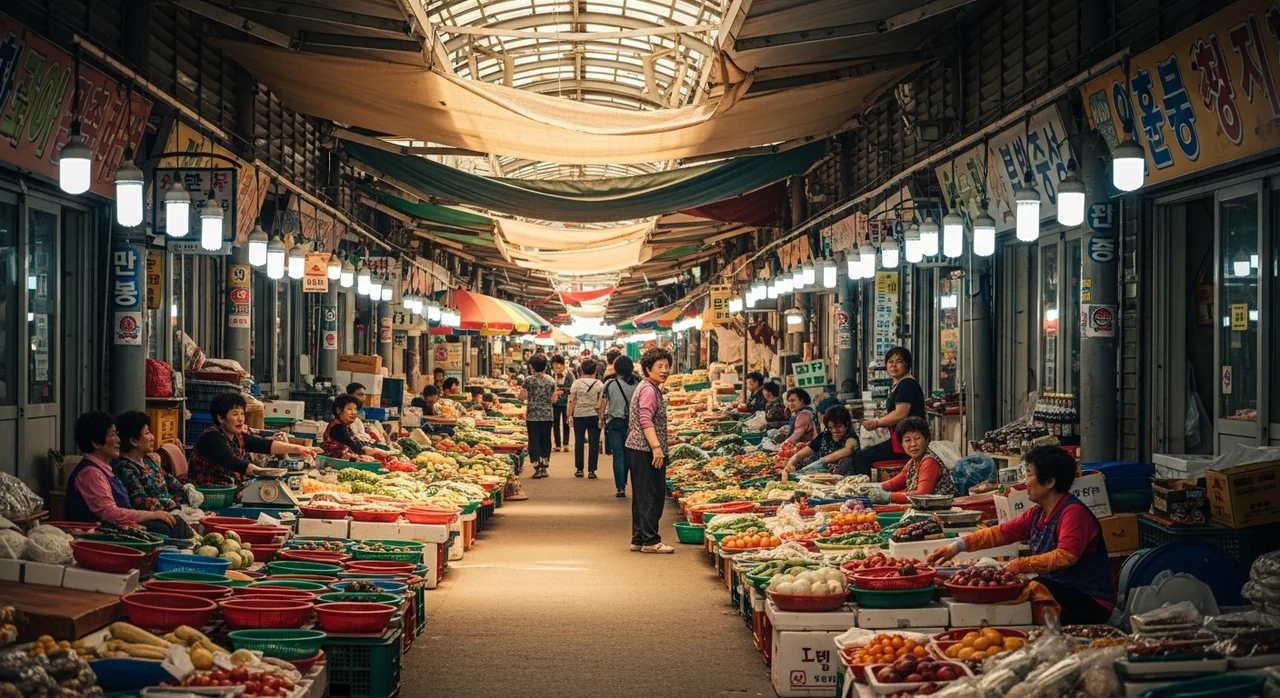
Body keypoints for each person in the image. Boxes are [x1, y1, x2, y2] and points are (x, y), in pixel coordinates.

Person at [926, 445, 1114, 625]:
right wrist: (956, 547)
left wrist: (1021, 564)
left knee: (1035, 585)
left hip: (1090, 602)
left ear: (1049, 482)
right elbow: (1000, 533)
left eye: (1029, 474)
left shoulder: (1073, 513)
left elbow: (1066, 556)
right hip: (1060, 592)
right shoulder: (1039, 513)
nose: (1025, 481)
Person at [65, 411, 178, 530]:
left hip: (118, 527)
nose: (118, 440)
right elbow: (110, 514)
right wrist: (153, 514)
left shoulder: (104, 469)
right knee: (168, 525)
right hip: (97, 534)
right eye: (113, 435)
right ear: (96, 443)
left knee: (173, 522)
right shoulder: (91, 473)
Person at [187, 393, 320, 486]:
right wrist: (267, 473)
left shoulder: (236, 436)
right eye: (235, 414)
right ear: (220, 418)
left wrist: (299, 448)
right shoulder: (212, 438)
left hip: (230, 485)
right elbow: (234, 462)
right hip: (210, 490)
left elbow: (264, 445)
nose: (240, 419)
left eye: (242, 414)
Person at [112, 411, 196, 537]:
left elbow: (173, 483)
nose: (152, 437)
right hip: (148, 518)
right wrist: (173, 504)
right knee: (177, 525)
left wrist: (187, 493)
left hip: (170, 511)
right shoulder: (125, 467)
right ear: (134, 441)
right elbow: (140, 502)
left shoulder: (149, 461)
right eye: (147, 433)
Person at [625, 347, 675, 554]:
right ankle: (651, 540)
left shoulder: (648, 387)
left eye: (667, 366)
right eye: (660, 366)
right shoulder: (648, 390)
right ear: (648, 368)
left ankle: (639, 538)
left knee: (641, 495)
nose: (664, 370)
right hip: (645, 449)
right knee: (652, 495)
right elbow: (645, 418)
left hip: (637, 448)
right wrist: (656, 447)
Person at [854, 346, 927, 476]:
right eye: (890, 362)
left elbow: (900, 414)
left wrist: (876, 423)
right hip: (899, 438)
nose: (893, 366)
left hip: (908, 441)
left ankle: (863, 490)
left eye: (898, 361)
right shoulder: (900, 384)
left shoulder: (907, 384)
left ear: (907, 365)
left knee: (861, 456)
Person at [867, 417, 956, 503]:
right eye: (907, 440)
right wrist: (872, 488)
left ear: (926, 440)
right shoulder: (913, 462)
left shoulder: (929, 462)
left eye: (917, 438)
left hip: (936, 511)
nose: (913, 444)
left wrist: (890, 497)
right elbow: (894, 484)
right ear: (901, 444)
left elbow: (922, 495)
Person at [599, 355, 639, 498]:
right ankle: (627, 482)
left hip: (614, 422)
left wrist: (600, 419)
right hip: (633, 423)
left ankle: (620, 487)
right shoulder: (638, 384)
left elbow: (601, 405)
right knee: (629, 454)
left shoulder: (610, 383)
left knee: (618, 455)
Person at [787, 406, 859, 475]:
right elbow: (798, 456)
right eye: (830, 427)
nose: (834, 431)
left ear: (847, 424)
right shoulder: (824, 436)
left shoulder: (851, 438)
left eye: (838, 427)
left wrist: (821, 462)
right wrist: (789, 465)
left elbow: (847, 450)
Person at [519, 354, 556, 478]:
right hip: (547, 415)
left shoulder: (528, 380)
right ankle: (544, 465)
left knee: (534, 440)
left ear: (531, 366)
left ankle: (536, 465)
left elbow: (522, 396)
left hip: (532, 415)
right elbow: (554, 398)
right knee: (546, 439)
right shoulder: (551, 380)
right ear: (545, 366)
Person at [567, 358, 606, 479]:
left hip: (579, 415)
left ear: (582, 370)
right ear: (595, 370)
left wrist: (569, 415)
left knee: (579, 442)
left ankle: (579, 469)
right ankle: (592, 471)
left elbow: (572, 400)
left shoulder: (576, 383)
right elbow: (601, 403)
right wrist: (601, 418)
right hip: (594, 416)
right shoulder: (600, 384)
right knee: (594, 443)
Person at [323, 394, 390, 461]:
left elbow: (356, 443)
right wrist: (375, 452)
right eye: (349, 409)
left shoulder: (345, 425)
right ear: (338, 410)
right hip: (333, 461)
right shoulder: (337, 427)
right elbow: (354, 446)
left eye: (355, 409)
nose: (354, 412)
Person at [550, 355, 574, 452]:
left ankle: (566, 444)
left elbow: (573, 388)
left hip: (566, 403)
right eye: (555, 367)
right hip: (555, 403)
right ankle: (558, 444)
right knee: (555, 423)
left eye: (558, 366)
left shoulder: (569, 375)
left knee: (566, 422)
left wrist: (563, 391)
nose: (557, 369)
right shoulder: (552, 375)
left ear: (563, 365)